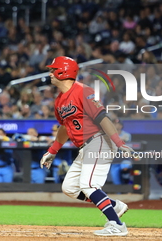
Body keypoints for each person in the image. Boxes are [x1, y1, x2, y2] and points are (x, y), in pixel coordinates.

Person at [40, 56, 134, 236]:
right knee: (69, 188)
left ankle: (117, 224)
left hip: (99, 140)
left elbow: (102, 118)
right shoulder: (59, 101)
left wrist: (119, 141)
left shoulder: (83, 91)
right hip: (85, 147)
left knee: (89, 184)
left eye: (53, 69)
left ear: (63, 71)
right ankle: (113, 206)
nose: (50, 73)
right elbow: (64, 128)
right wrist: (52, 151)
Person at [110, 120, 133, 185]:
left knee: (125, 166)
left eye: (116, 124)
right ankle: (119, 193)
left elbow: (126, 141)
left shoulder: (126, 134)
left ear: (121, 125)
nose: (115, 125)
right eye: (114, 124)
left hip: (125, 158)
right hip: (115, 160)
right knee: (115, 179)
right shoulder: (109, 135)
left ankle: (127, 184)